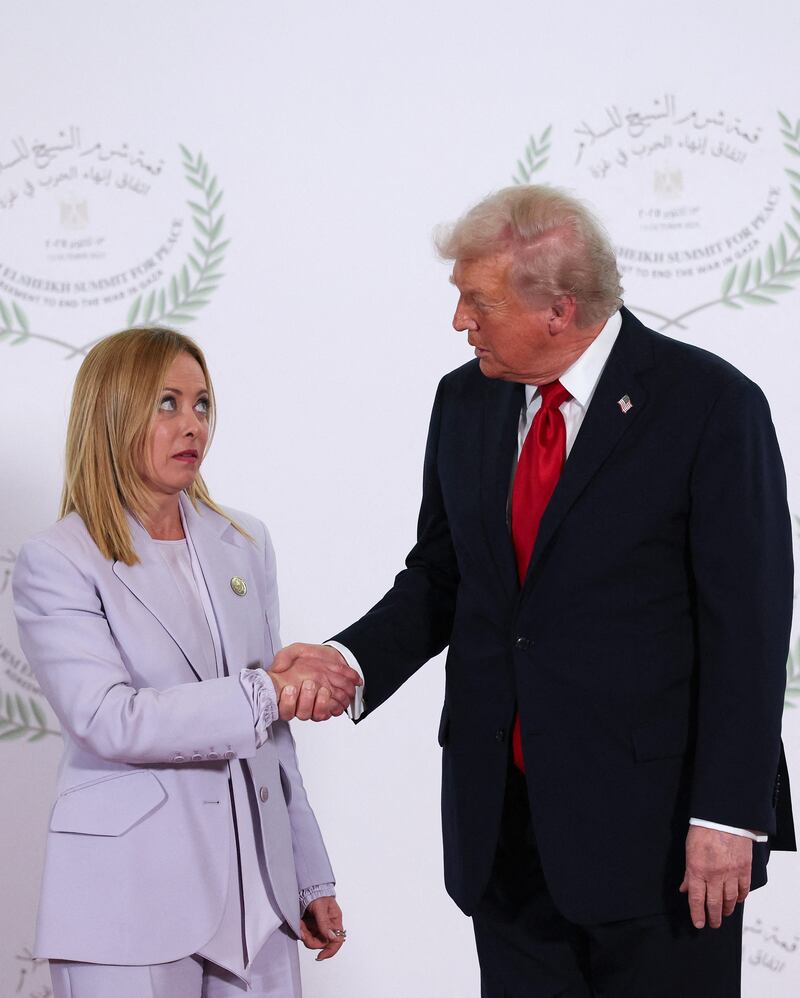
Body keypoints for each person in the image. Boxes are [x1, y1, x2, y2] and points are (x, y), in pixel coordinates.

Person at [271, 186, 795, 996]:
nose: (459, 323)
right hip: (506, 833)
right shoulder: (465, 400)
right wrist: (349, 658)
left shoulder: (710, 407)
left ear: (559, 308)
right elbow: (444, 576)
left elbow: (750, 630)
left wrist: (728, 815)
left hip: (662, 844)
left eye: (475, 301)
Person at [12, 327, 362, 998]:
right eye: (167, 403)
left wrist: (308, 875)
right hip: (125, 905)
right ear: (113, 413)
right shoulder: (58, 560)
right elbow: (109, 719)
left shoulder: (245, 541)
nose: (191, 424)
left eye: (202, 404)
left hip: (257, 901)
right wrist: (267, 693)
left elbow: (274, 741)